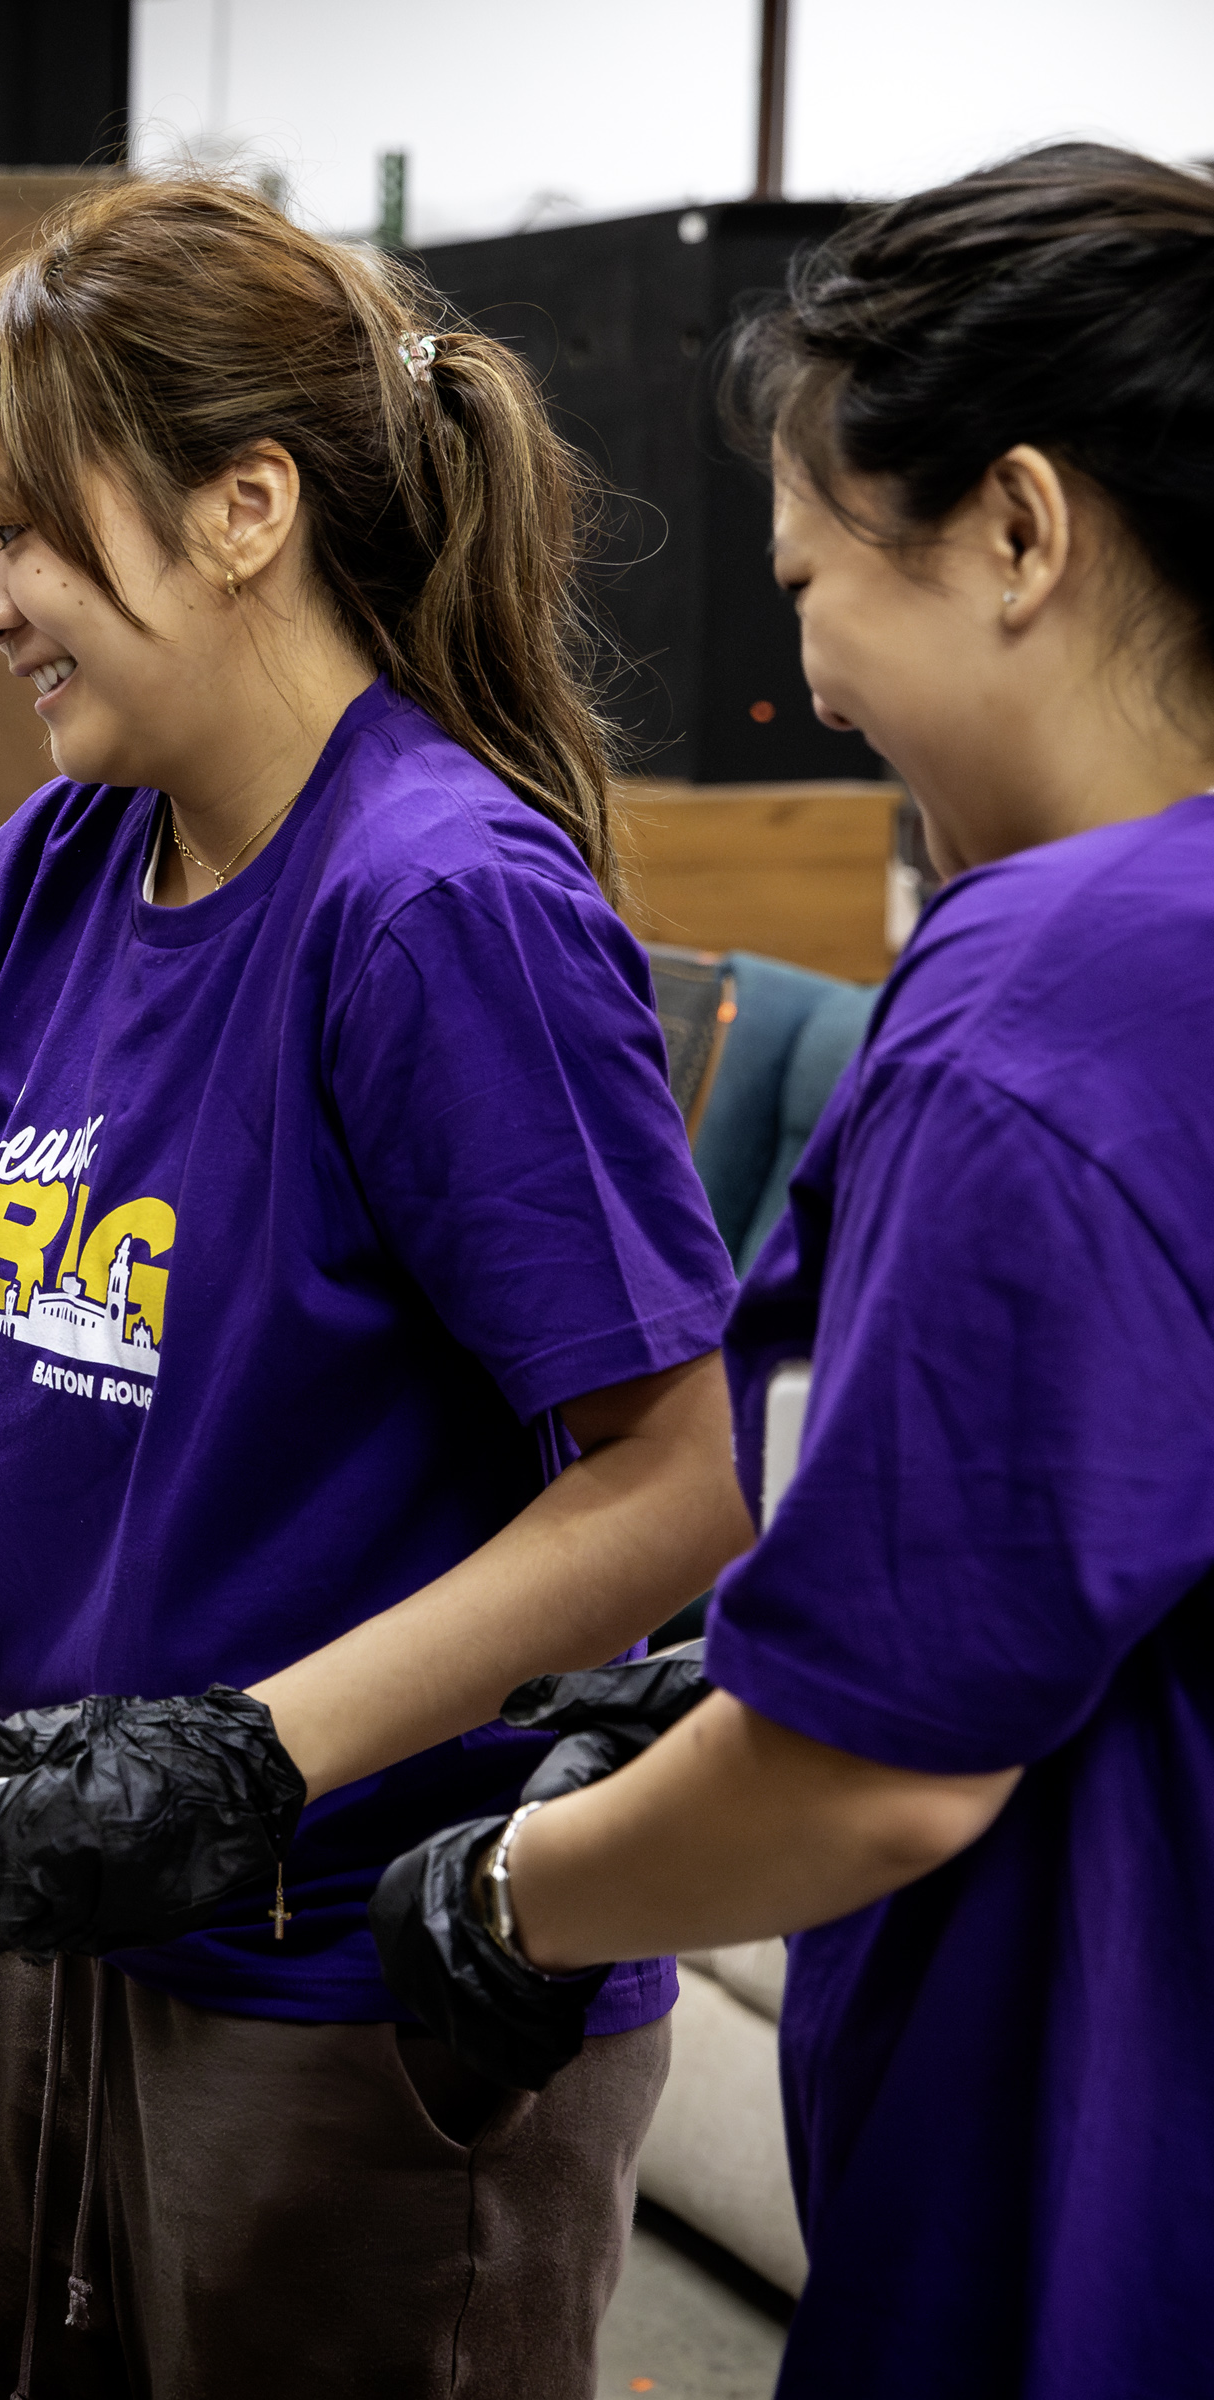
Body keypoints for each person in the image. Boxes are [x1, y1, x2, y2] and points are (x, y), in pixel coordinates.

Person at [0, 176, 753, 2397]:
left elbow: (671, 1487)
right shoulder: (38, 878)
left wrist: (254, 1757)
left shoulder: (438, 908)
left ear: (248, 505)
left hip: (370, 1984)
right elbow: (33, 1376)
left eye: (29, 539)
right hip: (87, 1921)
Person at [377, 144, 1214, 2398]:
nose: (817, 680)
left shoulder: (1046, 1001)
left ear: (1021, 531)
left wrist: (501, 1896)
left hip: (1097, 2214)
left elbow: (881, 1768)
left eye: (816, 582)